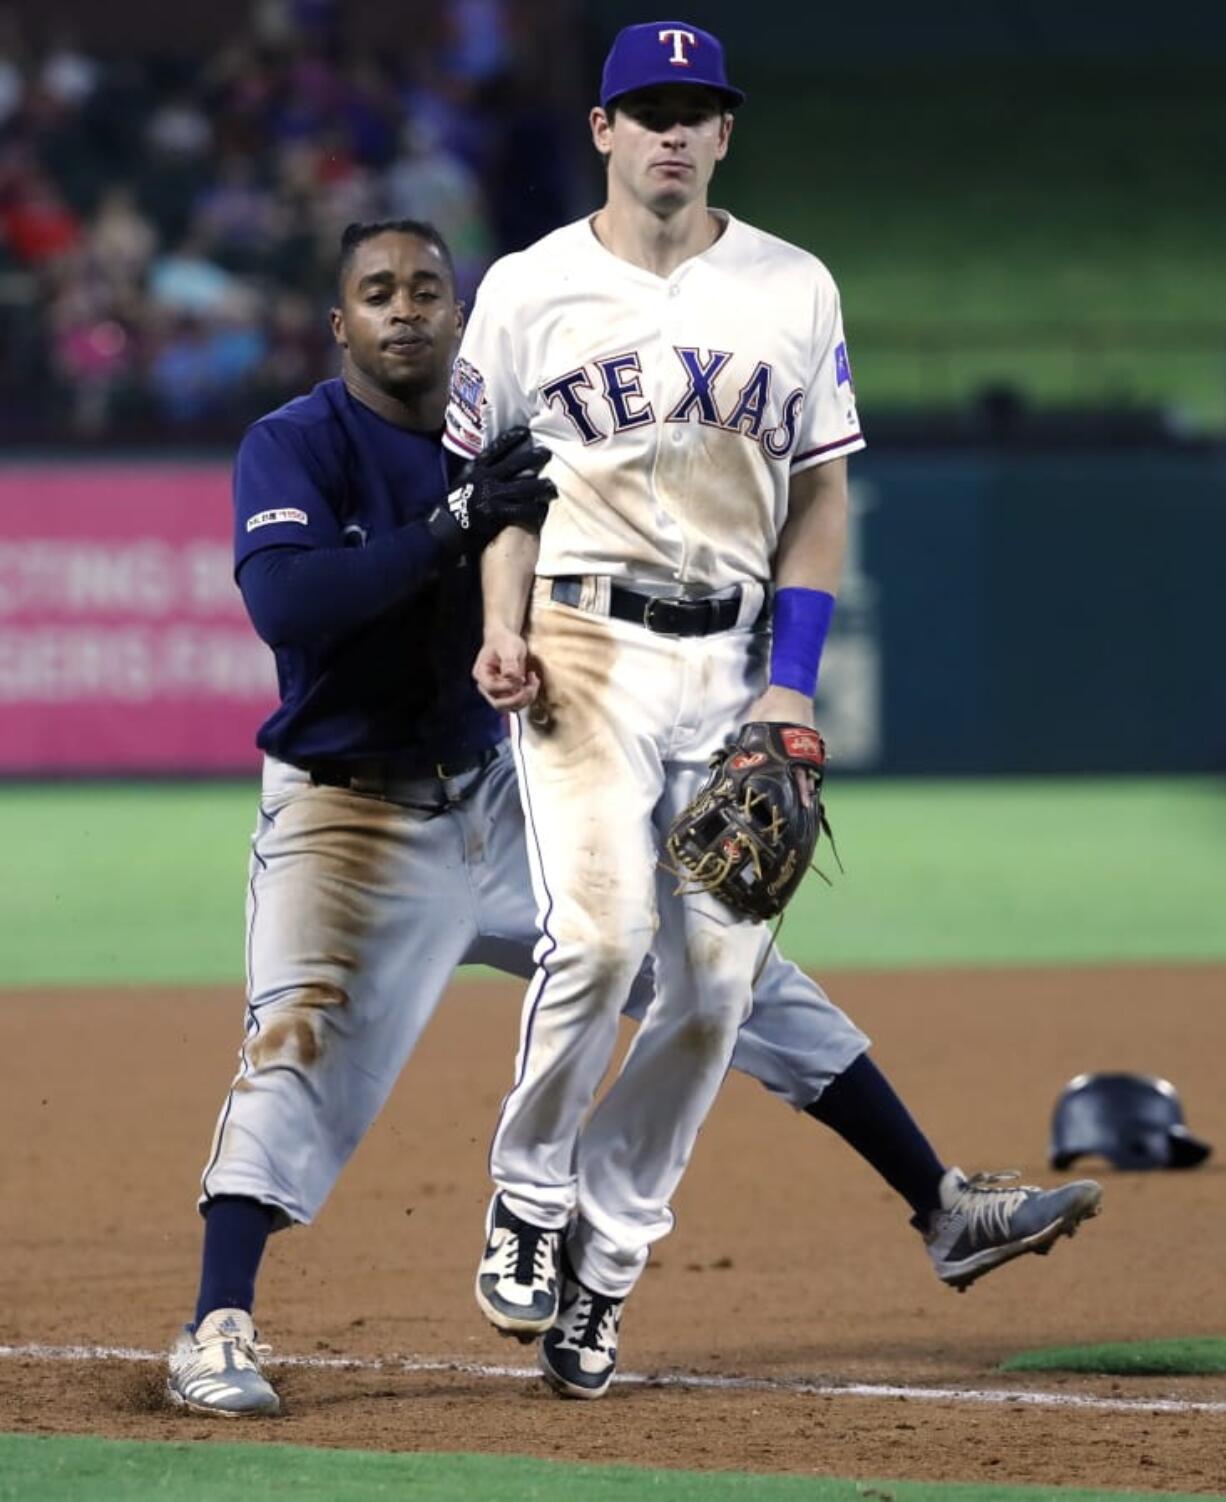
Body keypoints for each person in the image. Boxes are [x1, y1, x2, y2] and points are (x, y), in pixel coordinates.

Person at [165, 216, 1101, 1419]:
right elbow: (289, 604)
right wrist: (452, 525)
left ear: (461, 315)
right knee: (298, 1044)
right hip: (348, 816)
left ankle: (944, 1206)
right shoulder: (294, 443)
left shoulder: (519, 431)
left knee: (730, 972)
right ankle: (215, 1324)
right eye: (376, 292)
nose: (405, 308)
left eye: (426, 290)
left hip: (494, 788)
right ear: (338, 321)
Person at [453, 24, 1102, 1401]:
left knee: (716, 989)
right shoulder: (526, 288)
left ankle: (603, 1270)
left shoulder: (793, 285)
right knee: (602, 932)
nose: (673, 133)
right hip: (578, 642)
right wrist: (500, 625)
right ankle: (527, 1194)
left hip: (729, 663)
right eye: (649, 110)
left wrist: (790, 687)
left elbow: (818, 498)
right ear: (602, 129)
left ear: (727, 134)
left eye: (697, 112)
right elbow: (500, 487)